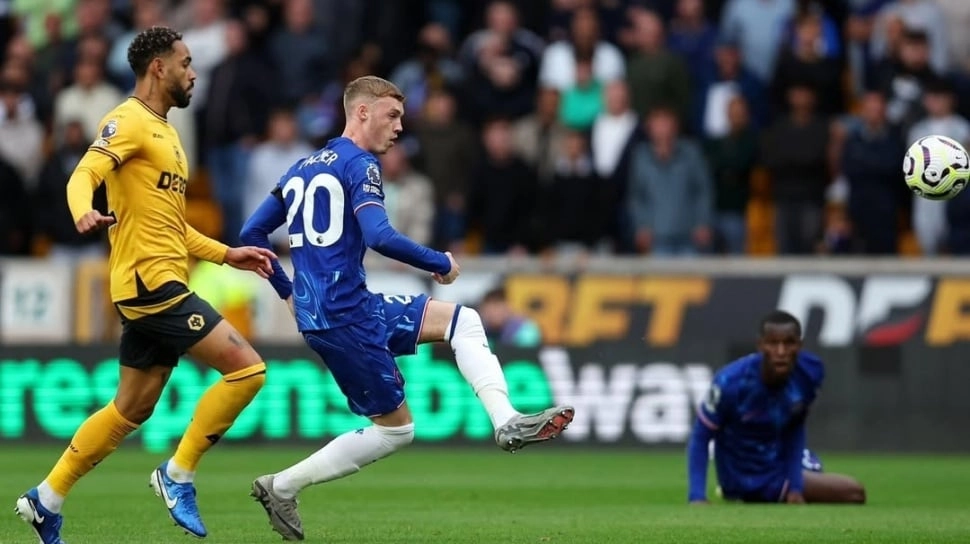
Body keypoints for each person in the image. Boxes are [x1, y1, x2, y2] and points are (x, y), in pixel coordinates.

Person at [239, 75, 575, 541]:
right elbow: (378, 236)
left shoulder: (301, 168)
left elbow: (251, 234)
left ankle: (506, 421)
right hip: (344, 318)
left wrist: (287, 291)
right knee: (397, 432)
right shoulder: (361, 165)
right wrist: (439, 262)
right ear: (361, 112)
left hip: (348, 306)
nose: (399, 127)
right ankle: (282, 485)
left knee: (463, 319)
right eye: (392, 115)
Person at [14, 27, 277, 544]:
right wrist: (82, 213)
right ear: (158, 67)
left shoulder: (169, 136)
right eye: (185, 62)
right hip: (150, 285)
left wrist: (228, 254)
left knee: (131, 409)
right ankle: (177, 474)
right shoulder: (126, 120)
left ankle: (46, 498)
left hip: (156, 281)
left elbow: (173, 226)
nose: (193, 72)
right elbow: (81, 175)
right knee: (248, 370)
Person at [686, 310, 866, 505]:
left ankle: (788, 486)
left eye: (789, 343)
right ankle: (745, 492)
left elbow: (796, 425)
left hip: (779, 460)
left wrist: (796, 489)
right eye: (773, 343)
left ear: (799, 345)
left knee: (814, 463)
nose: (781, 352)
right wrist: (697, 496)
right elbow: (701, 436)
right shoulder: (731, 382)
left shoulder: (810, 372)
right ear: (761, 345)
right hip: (745, 474)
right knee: (854, 492)